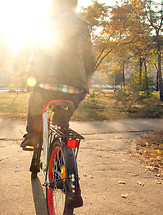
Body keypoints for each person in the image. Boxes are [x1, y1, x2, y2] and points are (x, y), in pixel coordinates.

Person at [14, 0, 96, 150]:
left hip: (44, 84)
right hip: (75, 89)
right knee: (62, 123)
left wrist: (19, 69)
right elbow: (89, 58)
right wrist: (87, 79)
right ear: (74, 5)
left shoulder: (41, 20)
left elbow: (26, 48)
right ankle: (61, 136)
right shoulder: (83, 25)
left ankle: (33, 135)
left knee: (36, 100)